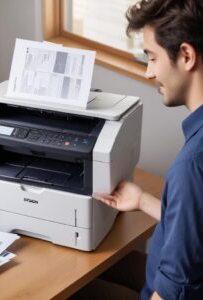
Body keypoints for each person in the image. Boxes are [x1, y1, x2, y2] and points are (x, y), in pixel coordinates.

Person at [71, 0, 203, 299]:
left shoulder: (191, 166)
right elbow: (194, 227)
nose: (148, 73)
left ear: (186, 55)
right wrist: (143, 200)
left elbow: (175, 288)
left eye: (152, 58)